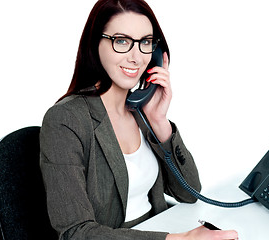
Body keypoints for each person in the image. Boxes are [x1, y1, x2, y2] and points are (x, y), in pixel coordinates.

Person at [40, 0, 239, 239]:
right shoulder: (66, 120)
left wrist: (159, 122)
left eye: (145, 42)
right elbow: (75, 232)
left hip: (163, 227)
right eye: (121, 41)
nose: (136, 57)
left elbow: (189, 193)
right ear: (95, 44)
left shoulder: (140, 111)